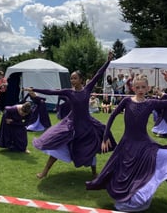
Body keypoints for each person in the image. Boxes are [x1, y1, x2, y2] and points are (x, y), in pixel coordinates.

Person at [86, 71, 167, 212]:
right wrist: (105, 138)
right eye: (138, 87)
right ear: (133, 88)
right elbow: (112, 116)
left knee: (163, 161)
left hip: (144, 144)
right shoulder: (127, 101)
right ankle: (129, 195)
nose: (140, 90)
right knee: (119, 172)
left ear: (147, 88)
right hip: (127, 144)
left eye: (143, 87)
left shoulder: (151, 103)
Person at [25, 51, 117, 179]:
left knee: (90, 147)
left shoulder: (87, 89)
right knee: (58, 145)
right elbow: (51, 92)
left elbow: (99, 74)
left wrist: (108, 61)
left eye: (75, 78)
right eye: (71, 78)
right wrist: (34, 89)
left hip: (86, 125)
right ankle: (45, 171)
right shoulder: (69, 92)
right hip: (71, 124)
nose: (72, 80)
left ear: (81, 79)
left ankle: (94, 172)